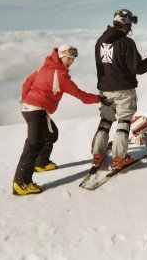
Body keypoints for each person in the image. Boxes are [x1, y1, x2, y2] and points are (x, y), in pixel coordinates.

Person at [13, 45, 104, 195]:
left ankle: (41, 163)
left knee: (51, 134)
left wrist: (24, 99)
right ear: (61, 56)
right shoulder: (60, 76)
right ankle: (21, 183)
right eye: (69, 58)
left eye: (73, 59)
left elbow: (27, 83)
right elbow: (81, 96)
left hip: (35, 108)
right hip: (35, 109)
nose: (71, 62)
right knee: (33, 144)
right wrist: (100, 99)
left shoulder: (44, 68)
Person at [91, 9, 147, 170]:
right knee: (123, 123)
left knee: (105, 121)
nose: (130, 28)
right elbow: (137, 68)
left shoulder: (101, 41)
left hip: (104, 89)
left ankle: (98, 154)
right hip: (123, 89)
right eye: (130, 24)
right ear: (125, 23)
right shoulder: (126, 43)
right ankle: (119, 159)